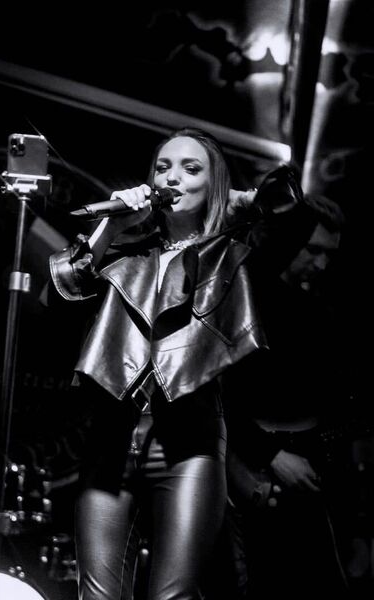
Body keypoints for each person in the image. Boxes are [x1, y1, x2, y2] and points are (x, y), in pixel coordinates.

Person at [45, 127, 317, 600]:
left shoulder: (233, 255)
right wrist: (112, 228)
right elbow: (57, 298)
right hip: (112, 439)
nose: (172, 177)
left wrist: (236, 201)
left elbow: (297, 219)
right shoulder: (126, 251)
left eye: (191, 169)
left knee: (173, 595)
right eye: (163, 167)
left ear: (214, 184)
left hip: (190, 443)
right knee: (97, 595)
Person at [217, 194, 357, 599]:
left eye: (329, 254)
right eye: (313, 250)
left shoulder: (322, 309)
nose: (321, 263)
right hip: (253, 473)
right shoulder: (246, 297)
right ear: (290, 240)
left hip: (307, 471)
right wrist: (270, 454)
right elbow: (218, 392)